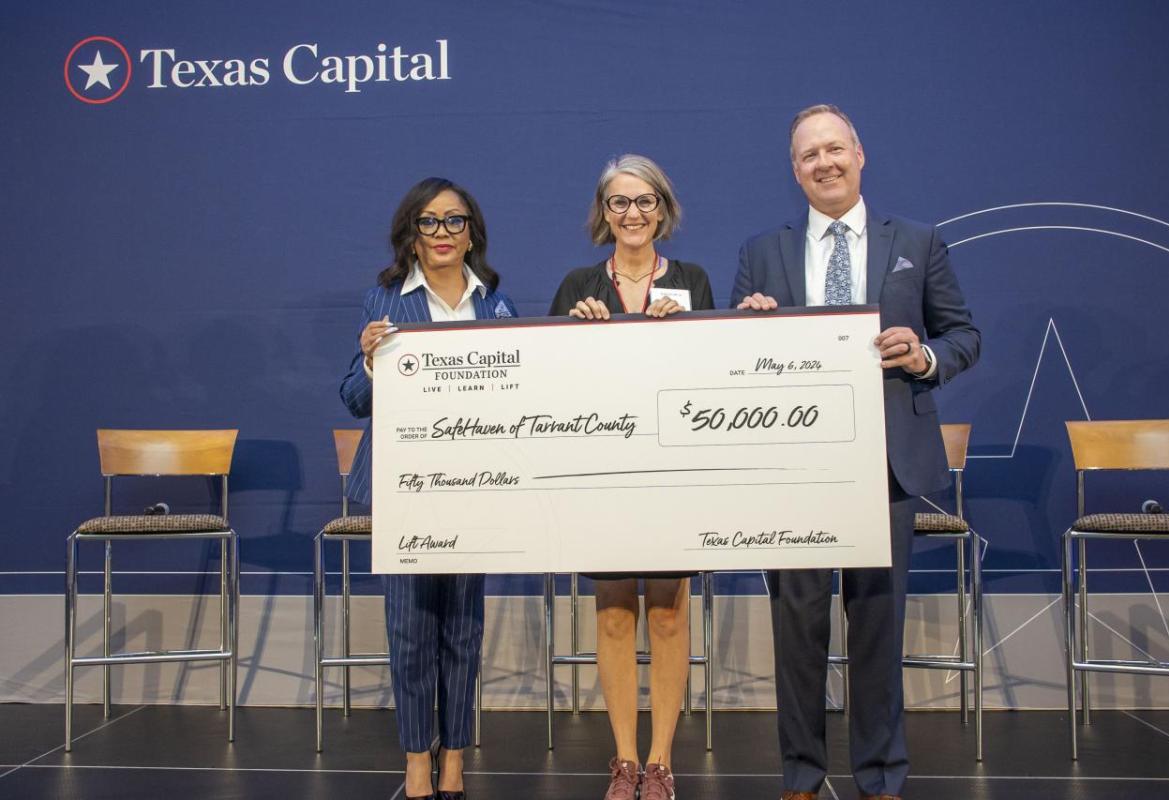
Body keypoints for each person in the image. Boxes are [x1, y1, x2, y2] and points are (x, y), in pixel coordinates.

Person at [732, 105, 980, 800]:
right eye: (810, 155)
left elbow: (963, 335)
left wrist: (925, 354)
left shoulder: (919, 243)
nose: (824, 163)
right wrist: (746, 331)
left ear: (860, 154)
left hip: (885, 466)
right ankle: (802, 776)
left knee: (876, 628)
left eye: (834, 149)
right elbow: (729, 358)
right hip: (793, 470)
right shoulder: (762, 253)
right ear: (795, 170)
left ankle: (879, 778)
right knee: (797, 629)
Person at [340, 177, 518, 800]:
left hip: (473, 489)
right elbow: (355, 400)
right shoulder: (384, 300)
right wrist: (369, 358)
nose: (443, 233)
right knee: (411, 629)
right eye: (429, 222)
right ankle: (418, 756)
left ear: (472, 232)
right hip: (405, 490)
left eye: (454, 221)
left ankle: (455, 758)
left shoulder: (494, 304)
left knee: (464, 630)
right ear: (410, 236)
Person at [549, 154, 715, 800]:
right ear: (603, 213)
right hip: (603, 472)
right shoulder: (577, 285)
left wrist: (692, 333)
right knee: (615, 612)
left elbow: (713, 379)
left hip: (673, 471)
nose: (633, 214)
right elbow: (554, 380)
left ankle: (661, 762)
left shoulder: (694, 281)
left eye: (645, 201)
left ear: (663, 209)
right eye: (620, 203)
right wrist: (573, 335)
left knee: (670, 615)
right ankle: (623, 760)